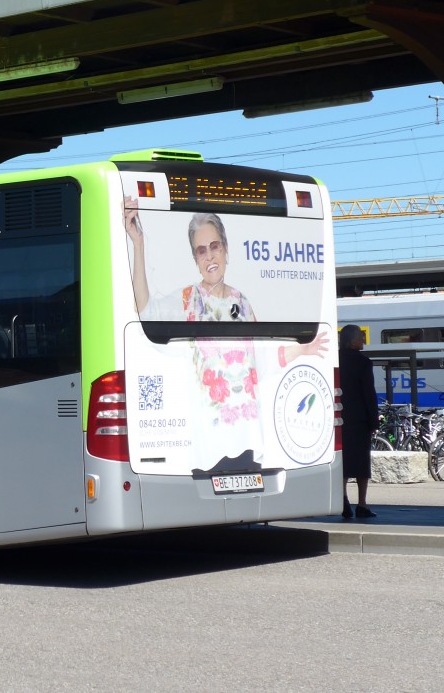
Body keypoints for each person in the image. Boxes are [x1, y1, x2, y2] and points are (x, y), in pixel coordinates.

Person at [123, 203, 328, 473]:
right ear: (195, 259)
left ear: (226, 250)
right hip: (208, 445)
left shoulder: (242, 303)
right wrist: (138, 245)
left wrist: (302, 350)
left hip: (248, 438)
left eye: (215, 246)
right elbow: (146, 311)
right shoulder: (186, 301)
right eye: (201, 250)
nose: (210, 256)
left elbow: (262, 360)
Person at [338, 324, 380, 520]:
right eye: (361, 337)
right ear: (353, 340)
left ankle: (343, 500)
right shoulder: (363, 362)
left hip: (338, 419)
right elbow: (368, 394)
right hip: (359, 420)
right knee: (362, 464)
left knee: (343, 462)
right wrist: (374, 421)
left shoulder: (335, 359)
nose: (363, 340)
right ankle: (362, 504)